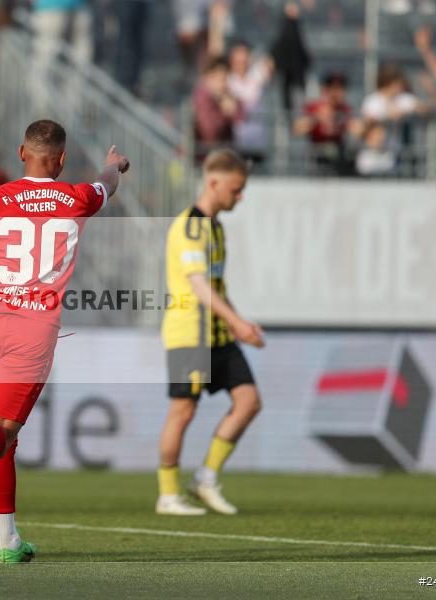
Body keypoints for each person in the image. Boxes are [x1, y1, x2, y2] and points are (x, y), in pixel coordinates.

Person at [0, 120, 129, 563]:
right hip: (33, 329)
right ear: (61, 159)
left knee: (0, 435)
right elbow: (107, 183)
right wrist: (114, 164)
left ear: (21, 153)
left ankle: (9, 542)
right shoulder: (78, 197)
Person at [157, 148, 263, 516]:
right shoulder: (191, 225)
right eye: (236, 189)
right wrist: (238, 323)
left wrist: (239, 322)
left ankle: (205, 478)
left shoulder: (216, 228)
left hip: (218, 333)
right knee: (183, 411)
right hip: (189, 331)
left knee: (249, 401)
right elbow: (199, 286)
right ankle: (168, 494)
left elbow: (217, 286)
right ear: (213, 182)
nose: (240, 196)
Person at [293, 71, 360, 175]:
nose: (338, 93)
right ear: (325, 89)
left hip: (339, 154)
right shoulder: (313, 107)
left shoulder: (345, 110)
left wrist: (346, 123)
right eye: (334, 88)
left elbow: (358, 130)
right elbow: (297, 129)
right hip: (317, 153)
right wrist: (317, 119)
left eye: (341, 88)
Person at [226, 41, 273, 160]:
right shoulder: (226, 81)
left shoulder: (257, 76)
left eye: (244, 59)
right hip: (235, 142)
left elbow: (270, 64)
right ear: (231, 60)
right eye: (238, 60)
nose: (241, 63)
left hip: (258, 142)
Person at [193, 57, 242, 151]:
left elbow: (241, 119)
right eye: (221, 79)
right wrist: (225, 113)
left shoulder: (225, 96)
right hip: (202, 157)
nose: (224, 84)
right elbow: (210, 133)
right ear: (210, 77)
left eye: (226, 79)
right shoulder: (202, 97)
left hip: (222, 152)